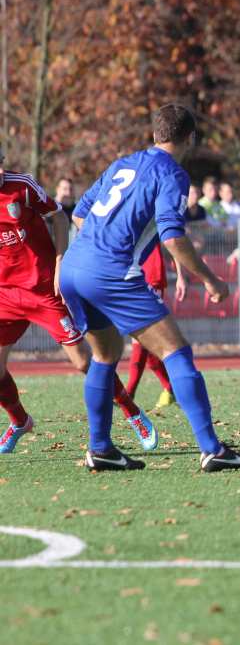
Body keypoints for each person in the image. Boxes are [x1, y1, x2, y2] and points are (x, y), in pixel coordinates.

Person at [60, 104, 240, 472]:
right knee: (177, 352)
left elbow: (80, 214)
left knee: (105, 356)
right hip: (110, 273)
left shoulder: (121, 164)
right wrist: (211, 279)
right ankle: (213, 449)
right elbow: (173, 237)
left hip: (74, 267)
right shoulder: (173, 174)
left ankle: (100, 448)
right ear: (190, 138)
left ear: (154, 134)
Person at [0, 149, 155, 455]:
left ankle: (131, 410)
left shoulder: (22, 186)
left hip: (44, 288)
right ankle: (19, 421)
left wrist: (59, 262)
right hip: (5, 292)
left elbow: (58, 216)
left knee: (84, 362)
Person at [123, 245, 187, 410]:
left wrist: (180, 276)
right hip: (128, 277)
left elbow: (173, 241)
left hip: (150, 276)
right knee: (148, 345)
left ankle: (128, 393)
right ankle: (171, 388)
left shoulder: (153, 219)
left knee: (141, 337)